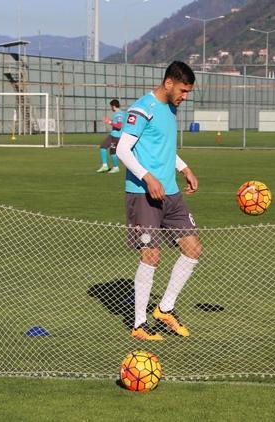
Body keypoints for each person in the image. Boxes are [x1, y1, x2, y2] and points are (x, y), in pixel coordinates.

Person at [116, 61, 202, 341]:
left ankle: (165, 309)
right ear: (168, 83)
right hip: (144, 194)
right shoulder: (142, 109)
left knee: (193, 249)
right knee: (151, 256)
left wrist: (184, 168)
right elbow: (123, 149)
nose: (184, 96)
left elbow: (162, 148)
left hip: (171, 193)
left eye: (188, 92)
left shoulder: (170, 109)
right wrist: (148, 178)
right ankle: (139, 325)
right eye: (183, 90)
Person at [96, 99, 126, 174]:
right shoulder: (118, 113)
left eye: (111, 106)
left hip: (116, 137)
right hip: (113, 135)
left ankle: (114, 167)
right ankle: (106, 166)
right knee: (104, 147)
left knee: (111, 151)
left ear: (113, 106)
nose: (111, 108)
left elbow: (119, 126)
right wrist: (111, 122)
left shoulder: (119, 114)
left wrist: (109, 122)